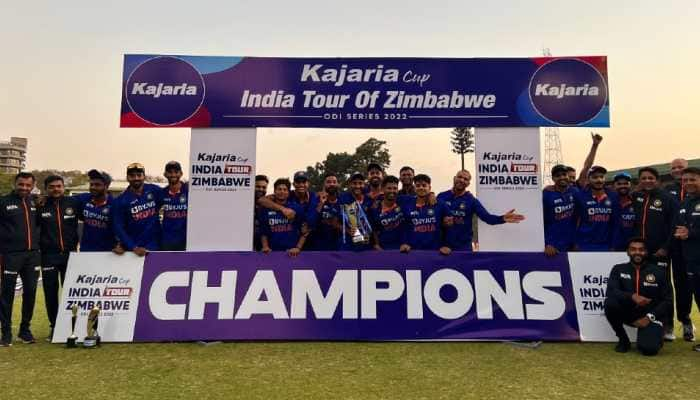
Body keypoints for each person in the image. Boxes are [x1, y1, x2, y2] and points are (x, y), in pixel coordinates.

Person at [631, 166, 678, 340]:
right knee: (642, 287)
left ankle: (668, 326)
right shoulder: (636, 197)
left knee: (663, 288)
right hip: (640, 253)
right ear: (640, 181)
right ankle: (645, 323)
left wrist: (665, 247)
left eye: (651, 178)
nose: (647, 181)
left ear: (657, 180)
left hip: (660, 252)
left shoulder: (667, 199)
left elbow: (674, 225)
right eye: (644, 178)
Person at [604, 238, 671, 355]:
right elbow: (611, 291)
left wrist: (649, 317)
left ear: (646, 252)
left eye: (641, 250)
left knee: (649, 350)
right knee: (610, 303)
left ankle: (653, 335)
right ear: (628, 252)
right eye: (633, 249)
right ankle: (623, 339)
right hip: (629, 313)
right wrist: (632, 296)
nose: (637, 252)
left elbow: (668, 300)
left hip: (651, 316)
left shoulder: (659, 272)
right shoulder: (618, 269)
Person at [37, 175, 80, 340]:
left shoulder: (73, 203)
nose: (56, 189)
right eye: (52, 187)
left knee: (71, 292)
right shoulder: (40, 205)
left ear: (63, 187)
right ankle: (54, 326)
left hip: (70, 255)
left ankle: (71, 326)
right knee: (50, 293)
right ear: (46, 189)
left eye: (59, 186)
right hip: (48, 256)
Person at [0, 172, 41, 346]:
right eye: (21, 184)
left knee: (30, 292)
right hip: (10, 255)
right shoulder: (3, 202)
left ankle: (24, 330)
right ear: (14, 183)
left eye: (27, 185)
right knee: (7, 294)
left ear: (33, 185)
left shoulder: (35, 202)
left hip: (32, 256)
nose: (24, 188)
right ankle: (6, 333)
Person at [439, 170, 524, 251]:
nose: (462, 180)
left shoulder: (471, 200)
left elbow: (487, 218)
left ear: (468, 183)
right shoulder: (441, 197)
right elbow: (433, 217)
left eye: (465, 179)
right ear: (454, 178)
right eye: (459, 177)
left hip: (463, 248)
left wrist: (502, 218)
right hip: (443, 247)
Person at [665, 158, 695, 341]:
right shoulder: (667, 191)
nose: (677, 170)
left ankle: (686, 321)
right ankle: (679, 323)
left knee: (694, 286)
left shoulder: (696, 192)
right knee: (678, 286)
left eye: (681, 167)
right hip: (674, 247)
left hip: (694, 247)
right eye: (674, 168)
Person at [672, 167, 700, 351]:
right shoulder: (684, 203)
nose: (688, 183)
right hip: (690, 259)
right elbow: (679, 229)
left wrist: (691, 233)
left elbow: (690, 232)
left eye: (692, 179)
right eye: (685, 180)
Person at [112, 163, 164, 256]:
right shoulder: (120, 200)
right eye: (132, 175)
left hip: (156, 247)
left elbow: (170, 197)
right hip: (134, 251)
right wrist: (133, 247)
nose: (136, 178)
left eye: (139, 175)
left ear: (144, 176)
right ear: (127, 178)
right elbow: (119, 228)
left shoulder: (154, 190)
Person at [400, 174, 451, 255]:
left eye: (424, 185)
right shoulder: (407, 204)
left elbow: (450, 227)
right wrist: (404, 243)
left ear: (429, 188)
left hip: (436, 252)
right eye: (418, 185)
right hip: (413, 252)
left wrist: (447, 245)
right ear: (414, 188)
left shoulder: (440, 204)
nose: (421, 188)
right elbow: (405, 227)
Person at [574, 166, 620, 251]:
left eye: (601, 177)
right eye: (595, 177)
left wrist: (613, 245)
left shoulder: (613, 196)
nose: (599, 180)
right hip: (584, 245)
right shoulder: (580, 196)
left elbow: (615, 223)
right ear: (588, 179)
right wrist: (576, 242)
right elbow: (574, 221)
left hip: (605, 245)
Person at [259, 178, 307, 257]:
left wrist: (298, 247)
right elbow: (264, 231)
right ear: (274, 191)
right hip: (272, 253)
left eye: (285, 190)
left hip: (291, 253)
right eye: (279, 189)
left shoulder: (297, 208)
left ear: (288, 193)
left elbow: (305, 231)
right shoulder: (266, 209)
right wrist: (265, 246)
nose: (282, 192)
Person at [75, 170, 117, 252]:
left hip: (108, 253)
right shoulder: (83, 199)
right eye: (91, 184)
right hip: (86, 251)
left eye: (97, 185)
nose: (93, 187)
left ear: (106, 186)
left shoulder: (115, 205)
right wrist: (46, 198)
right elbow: (63, 200)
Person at [543, 164, 578, 256]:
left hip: (574, 244)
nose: (562, 177)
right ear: (553, 178)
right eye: (558, 176)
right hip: (554, 246)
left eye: (564, 174)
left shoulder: (575, 191)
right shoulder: (546, 195)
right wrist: (546, 243)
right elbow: (539, 222)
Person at [339, 172, 374, 251]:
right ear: (350, 184)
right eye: (354, 183)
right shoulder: (343, 198)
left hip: (366, 243)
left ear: (364, 184)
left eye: (360, 183)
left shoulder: (369, 200)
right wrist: (348, 231)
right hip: (348, 243)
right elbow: (335, 221)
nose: (357, 186)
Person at [370, 176, 406, 250]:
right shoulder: (375, 208)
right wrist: (376, 244)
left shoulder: (404, 201)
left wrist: (431, 194)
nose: (392, 191)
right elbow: (374, 230)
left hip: (403, 249)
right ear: (383, 189)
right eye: (389, 188)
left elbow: (419, 198)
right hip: (384, 250)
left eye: (395, 188)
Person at [311, 173, 343, 251]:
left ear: (338, 184)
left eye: (334, 182)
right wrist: (321, 203)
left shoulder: (344, 200)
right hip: (320, 248)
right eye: (328, 182)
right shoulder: (316, 199)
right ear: (324, 184)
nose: (332, 184)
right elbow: (311, 221)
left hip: (340, 247)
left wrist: (338, 225)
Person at [161, 161, 188, 251]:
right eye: (170, 172)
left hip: (186, 240)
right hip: (167, 241)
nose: (173, 175)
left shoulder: (189, 191)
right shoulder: (162, 192)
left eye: (176, 172)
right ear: (165, 174)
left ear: (181, 173)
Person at [612, 172, 636, 251]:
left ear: (630, 185)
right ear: (614, 186)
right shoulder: (608, 202)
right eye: (619, 184)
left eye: (626, 183)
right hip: (612, 248)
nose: (622, 186)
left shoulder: (637, 203)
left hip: (633, 248)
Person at [253, 175, 269, 251]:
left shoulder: (270, 203)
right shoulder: (244, 202)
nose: (261, 189)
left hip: (264, 247)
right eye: (258, 187)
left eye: (264, 187)